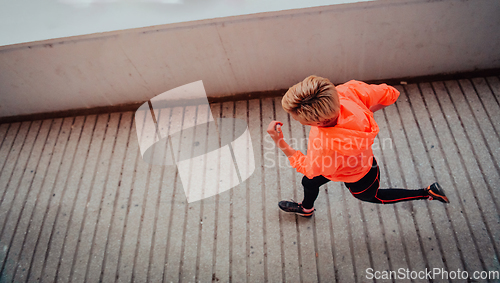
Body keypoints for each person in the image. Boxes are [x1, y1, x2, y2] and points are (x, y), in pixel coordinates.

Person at [266, 75, 449, 217]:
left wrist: (279, 141)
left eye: (301, 120)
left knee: (372, 196)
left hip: (359, 175)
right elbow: (389, 93)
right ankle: (307, 209)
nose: (296, 120)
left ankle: (427, 193)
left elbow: (308, 168)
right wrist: (362, 112)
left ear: (322, 122)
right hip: (355, 162)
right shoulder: (345, 92)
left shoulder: (324, 146)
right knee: (308, 182)